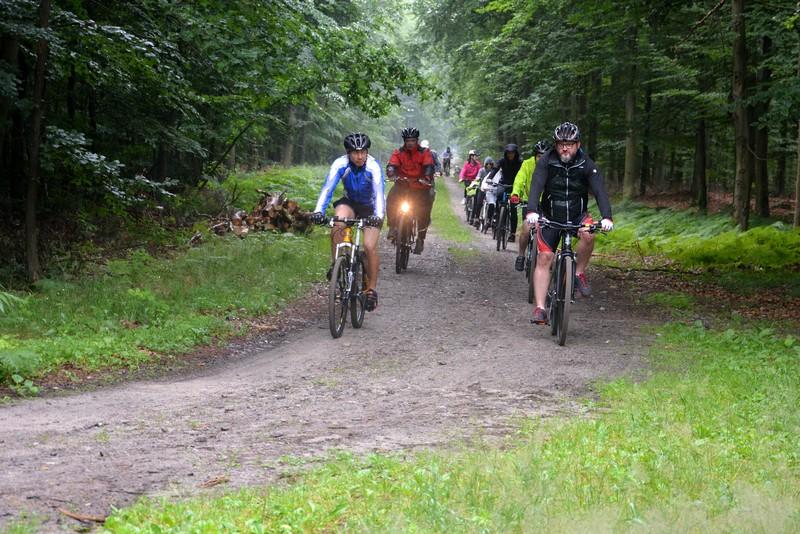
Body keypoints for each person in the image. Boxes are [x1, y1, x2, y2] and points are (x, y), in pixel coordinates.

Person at [527, 122, 613, 324]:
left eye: (569, 144)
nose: (565, 148)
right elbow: (536, 185)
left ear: (578, 144)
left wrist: (607, 216)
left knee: (589, 234)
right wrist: (532, 210)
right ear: (555, 145)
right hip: (551, 215)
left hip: (577, 215)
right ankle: (540, 308)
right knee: (545, 257)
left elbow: (599, 190)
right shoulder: (546, 161)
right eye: (561, 144)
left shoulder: (587, 164)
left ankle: (579, 273)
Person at [311, 132, 385, 311]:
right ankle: (338, 265)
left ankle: (371, 290)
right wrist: (318, 212)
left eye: (363, 152)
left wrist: (378, 215)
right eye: (355, 152)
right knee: (337, 224)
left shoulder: (373, 166)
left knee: (369, 246)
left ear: (367, 152)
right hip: (350, 202)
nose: (359, 156)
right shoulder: (340, 164)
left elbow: (379, 193)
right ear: (348, 153)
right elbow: (327, 189)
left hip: (371, 206)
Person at [386, 127, 435, 254]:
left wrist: (427, 177)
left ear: (417, 140)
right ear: (404, 141)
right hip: (402, 185)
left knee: (424, 211)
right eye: (407, 140)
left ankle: (420, 238)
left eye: (412, 140)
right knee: (391, 199)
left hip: (420, 187)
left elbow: (429, 166)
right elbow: (392, 164)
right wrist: (391, 172)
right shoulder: (398, 152)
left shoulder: (424, 152)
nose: (410, 143)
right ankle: (393, 226)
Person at [511, 140, 551, 271]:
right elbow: (519, 179)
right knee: (527, 229)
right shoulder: (527, 164)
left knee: (550, 231)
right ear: (535, 156)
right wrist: (516, 193)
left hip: (546, 204)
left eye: (544, 156)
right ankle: (521, 255)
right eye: (539, 156)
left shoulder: (553, 166)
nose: (541, 159)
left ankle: (547, 258)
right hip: (529, 202)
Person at [485, 143, 523, 242]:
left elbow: (523, 174)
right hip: (503, 184)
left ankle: (512, 233)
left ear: (515, 153)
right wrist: (490, 178)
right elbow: (495, 169)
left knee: (513, 209)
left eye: (512, 153)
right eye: (509, 153)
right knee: (499, 197)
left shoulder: (520, 162)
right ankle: (498, 217)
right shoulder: (502, 161)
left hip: (515, 186)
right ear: (506, 153)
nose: (510, 155)